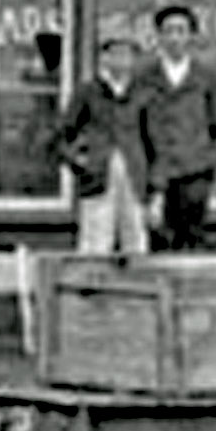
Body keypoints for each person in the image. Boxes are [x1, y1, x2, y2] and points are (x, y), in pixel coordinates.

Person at [133, 2, 216, 249]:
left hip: (195, 173)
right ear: (158, 37)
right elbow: (133, 125)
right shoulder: (144, 77)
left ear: (191, 36)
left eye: (181, 31)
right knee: (158, 240)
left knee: (192, 240)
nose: (174, 38)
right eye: (168, 31)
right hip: (156, 174)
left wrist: (210, 162)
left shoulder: (206, 76)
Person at [56, 28, 151, 259]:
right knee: (95, 241)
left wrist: (155, 180)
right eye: (114, 53)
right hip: (97, 175)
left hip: (134, 174)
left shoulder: (143, 94)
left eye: (126, 53)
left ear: (134, 59)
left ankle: (137, 281)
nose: (121, 59)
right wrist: (79, 162)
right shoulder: (88, 92)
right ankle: (92, 280)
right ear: (104, 58)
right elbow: (63, 134)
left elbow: (154, 139)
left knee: (135, 238)